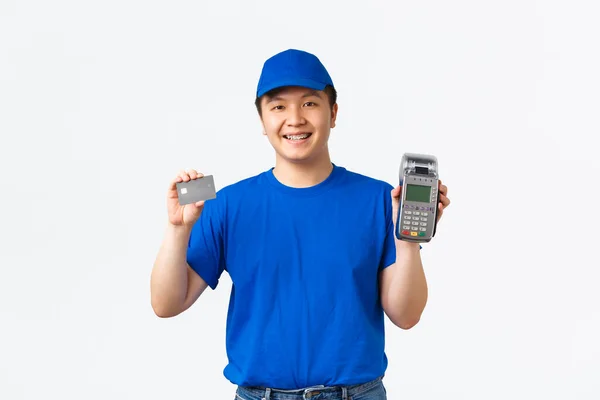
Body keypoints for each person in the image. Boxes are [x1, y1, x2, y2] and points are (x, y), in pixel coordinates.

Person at [150, 49, 451, 400]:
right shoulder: (227, 205)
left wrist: (407, 239)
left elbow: (406, 314)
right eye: (278, 107)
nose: (294, 119)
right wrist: (177, 230)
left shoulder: (381, 200)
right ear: (262, 121)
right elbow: (166, 304)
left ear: (333, 113)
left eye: (310, 104)